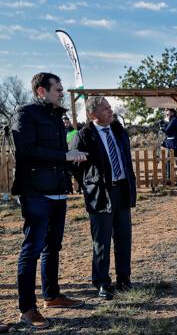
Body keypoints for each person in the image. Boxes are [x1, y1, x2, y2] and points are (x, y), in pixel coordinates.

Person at [11, 72, 87, 329]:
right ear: (41, 91)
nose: (62, 92)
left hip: (57, 191)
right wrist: (64, 157)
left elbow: (57, 152)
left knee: (52, 247)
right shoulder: (25, 113)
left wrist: (70, 157)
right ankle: (27, 309)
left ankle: (52, 296)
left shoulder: (56, 115)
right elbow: (26, 150)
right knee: (32, 249)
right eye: (57, 89)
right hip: (35, 192)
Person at [71, 96, 137, 300]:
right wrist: (90, 185)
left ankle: (124, 279)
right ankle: (102, 283)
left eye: (110, 107)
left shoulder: (118, 131)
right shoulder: (84, 135)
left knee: (124, 238)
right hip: (100, 195)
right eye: (105, 109)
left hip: (122, 191)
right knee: (101, 241)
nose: (110, 111)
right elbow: (75, 167)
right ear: (93, 115)